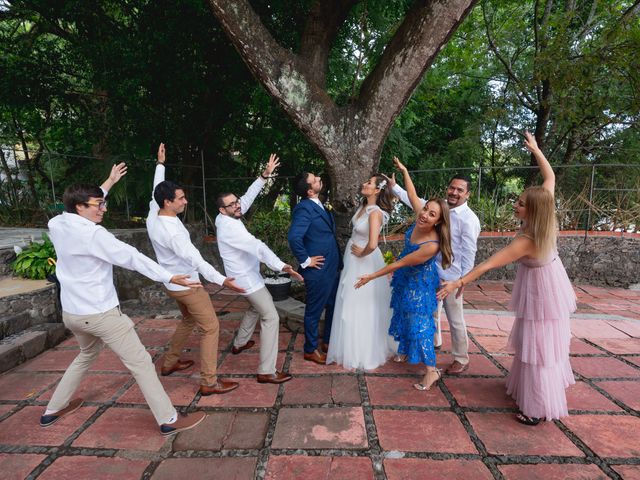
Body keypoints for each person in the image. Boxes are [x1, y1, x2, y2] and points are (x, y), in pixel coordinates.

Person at [41, 164, 206, 436]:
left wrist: (108, 183)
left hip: (72, 313)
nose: (103, 208)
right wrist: (168, 276)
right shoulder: (94, 235)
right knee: (141, 363)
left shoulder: (57, 223)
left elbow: (76, 207)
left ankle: (53, 409)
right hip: (101, 315)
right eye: (98, 205)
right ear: (80, 207)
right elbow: (132, 257)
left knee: (85, 354)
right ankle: (168, 419)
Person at [438, 132, 576, 425]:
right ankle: (532, 390)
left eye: (521, 203)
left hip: (541, 289)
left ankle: (537, 407)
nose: (516, 205)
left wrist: (457, 283)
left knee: (538, 345)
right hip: (548, 280)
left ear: (533, 209)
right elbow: (549, 176)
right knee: (539, 340)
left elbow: (487, 264)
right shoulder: (545, 209)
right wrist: (537, 150)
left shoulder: (527, 239)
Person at [147, 143, 245, 396]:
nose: (185, 201)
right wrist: (223, 281)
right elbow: (198, 261)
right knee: (211, 327)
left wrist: (160, 164)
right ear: (168, 202)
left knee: (188, 319)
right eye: (180, 198)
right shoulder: (173, 232)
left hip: (171, 284)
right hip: (188, 285)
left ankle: (170, 362)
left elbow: (154, 190)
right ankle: (209, 382)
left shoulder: (153, 212)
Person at [356, 157, 452, 391]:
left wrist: (370, 276)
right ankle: (404, 350)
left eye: (432, 215)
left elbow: (399, 263)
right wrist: (405, 171)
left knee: (419, 324)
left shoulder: (431, 244)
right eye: (426, 209)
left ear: (439, 222)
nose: (425, 215)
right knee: (400, 314)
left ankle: (431, 371)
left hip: (419, 284)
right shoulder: (421, 214)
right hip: (405, 279)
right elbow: (411, 194)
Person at [215, 153, 302, 384]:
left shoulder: (226, 215)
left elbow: (246, 198)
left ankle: (240, 343)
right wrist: (282, 266)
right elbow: (258, 247)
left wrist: (264, 176)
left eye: (236, 202)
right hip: (246, 280)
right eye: (232, 204)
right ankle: (266, 370)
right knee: (271, 317)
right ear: (223, 210)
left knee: (255, 309)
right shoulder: (230, 228)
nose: (237, 205)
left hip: (246, 276)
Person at [388, 170, 480, 374]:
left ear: (467, 194)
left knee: (455, 319)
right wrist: (394, 188)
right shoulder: (441, 209)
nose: (454, 192)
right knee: (429, 313)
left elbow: (469, 254)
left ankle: (461, 358)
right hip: (429, 273)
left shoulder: (469, 220)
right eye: (452, 188)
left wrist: (462, 281)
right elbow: (414, 200)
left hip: (451, 278)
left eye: (460, 190)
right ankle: (433, 343)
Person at [326, 174, 396, 370]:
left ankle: (363, 351)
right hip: (353, 258)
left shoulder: (375, 213)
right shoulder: (363, 207)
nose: (364, 184)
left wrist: (361, 252)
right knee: (349, 300)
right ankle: (348, 346)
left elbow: (373, 244)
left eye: (369, 183)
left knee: (362, 303)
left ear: (377, 190)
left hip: (364, 261)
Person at [288, 171, 341, 365]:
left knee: (333, 305)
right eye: (315, 180)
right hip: (317, 271)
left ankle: (327, 341)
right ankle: (310, 349)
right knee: (313, 311)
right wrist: (305, 260)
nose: (319, 178)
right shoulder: (304, 208)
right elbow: (294, 237)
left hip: (332, 266)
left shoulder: (318, 203)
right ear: (310, 191)